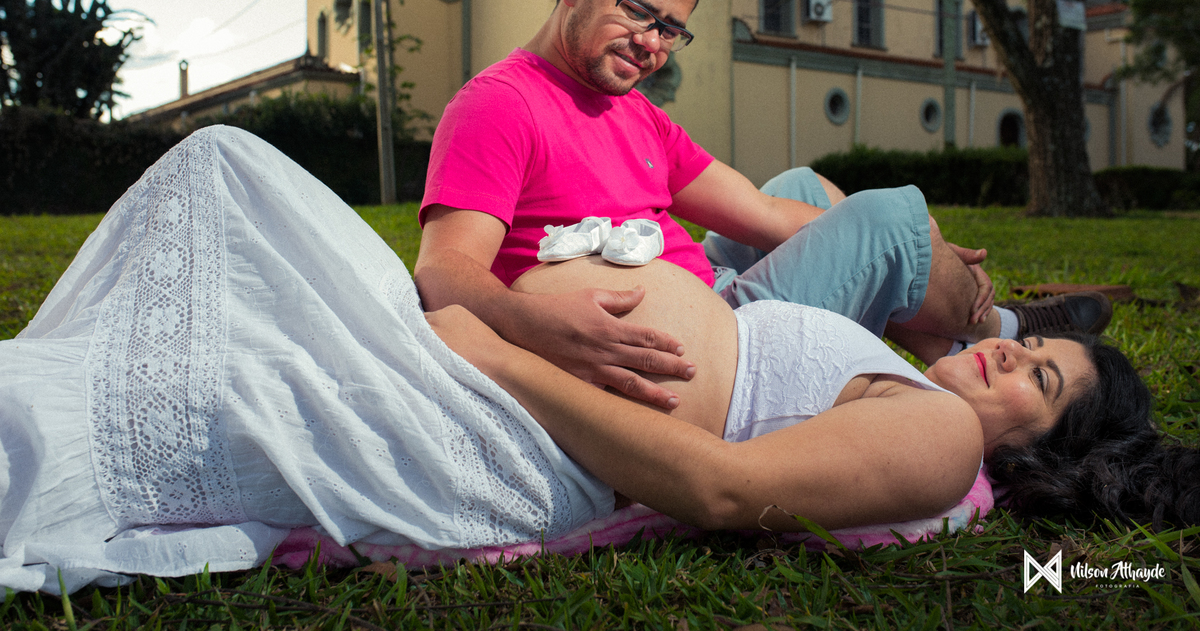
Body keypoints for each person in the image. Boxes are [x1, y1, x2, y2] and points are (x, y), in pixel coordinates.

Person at [0, 128, 1189, 594]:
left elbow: (718, 488)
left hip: (522, 422)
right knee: (219, 176)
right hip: (504, 367)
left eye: (1037, 380)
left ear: (1044, 450)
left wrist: (495, 352)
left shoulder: (936, 441)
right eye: (1024, 344)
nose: (1002, 360)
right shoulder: (908, 383)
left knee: (230, 238)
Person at [416, 0, 1112, 411]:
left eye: (671, 30)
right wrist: (531, 322)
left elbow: (763, 210)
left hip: (708, 284)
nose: (651, 44)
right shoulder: (500, 105)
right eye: (637, 11)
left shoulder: (634, 112)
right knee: (891, 217)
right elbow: (442, 271)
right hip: (716, 334)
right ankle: (999, 327)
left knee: (806, 187)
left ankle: (943, 331)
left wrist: (917, 250)